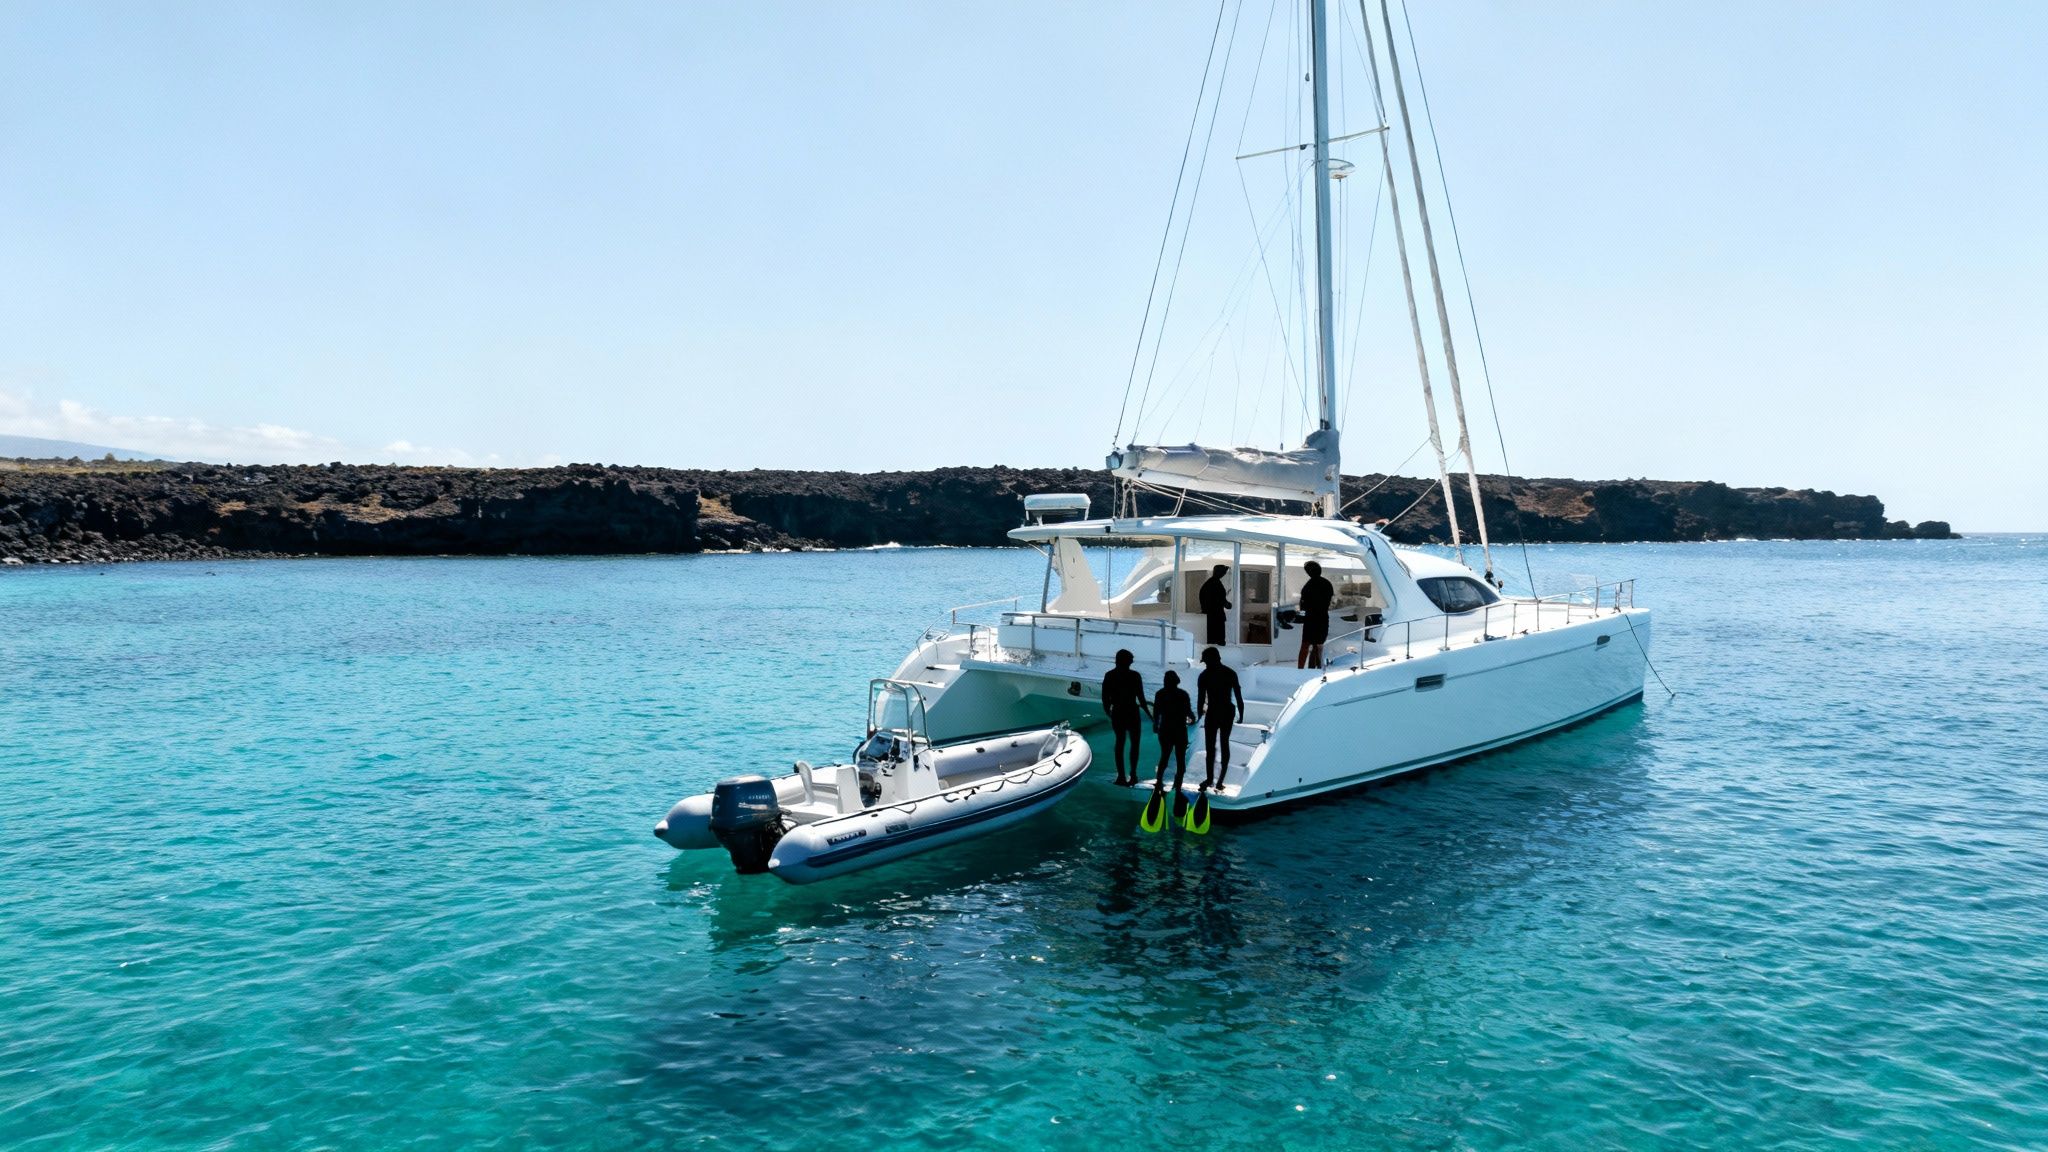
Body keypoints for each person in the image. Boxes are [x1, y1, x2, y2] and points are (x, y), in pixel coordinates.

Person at [1100, 649, 1152, 787]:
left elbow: (1105, 699)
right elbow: (1141, 699)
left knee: (1120, 743)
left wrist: (1109, 713)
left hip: (1118, 712)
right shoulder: (1135, 676)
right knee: (1134, 744)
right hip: (1132, 712)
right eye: (1131, 660)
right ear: (1127, 661)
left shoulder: (1109, 676)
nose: (1132, 662)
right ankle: (1133, 775)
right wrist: (1151, 716)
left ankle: (1121, 776)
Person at [1196, 646, 1245, 790]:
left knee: (1212, 747)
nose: (1205, 664)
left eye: (1206, 661)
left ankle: (1212, 780)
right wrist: (1241, 715)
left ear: (1211, 660)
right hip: (1226, 712)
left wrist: (1200, 716)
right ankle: (1217, 781)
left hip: (1214, 713)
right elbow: (1238, 697)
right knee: (1223, 744)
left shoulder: (1204, 676)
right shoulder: (1230, 673)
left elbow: (1200, 700)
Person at [1149, 669, 1195, 796]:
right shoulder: (1183, 694)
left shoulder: (1160, 694)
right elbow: (1189, 712)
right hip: (1180, 730)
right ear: (1177, 682)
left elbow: (1156, 712)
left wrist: (1155, 724)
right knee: (1181, 760)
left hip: (1165, 730)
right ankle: (1177, 785)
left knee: (1164, 756)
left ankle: (1158, 781)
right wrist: (1193, 719)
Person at [1297, 559, 1334, 670]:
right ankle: (1316, 669)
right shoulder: (1327, 584)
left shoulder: (1308, 586)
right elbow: (1329, 601)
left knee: (1305, 645)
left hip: (1310, 619)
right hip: (1322, 618)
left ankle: (1300, 670)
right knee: (1318, 646)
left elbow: (1303, 606)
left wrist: (1300, 615)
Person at [1198, 564, 1232, 646]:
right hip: (1216, 616)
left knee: (1211, 639)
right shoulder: (1216, 584)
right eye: (1224, 572)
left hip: (1210, 616)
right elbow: (1220, 599)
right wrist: (1228, 604)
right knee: (1218, 640)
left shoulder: (1210, 583)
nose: (1224, 574)